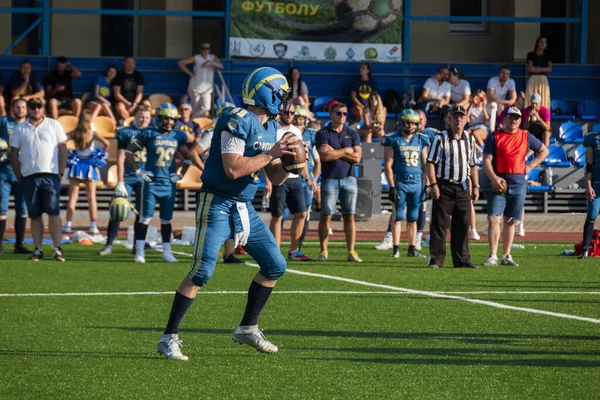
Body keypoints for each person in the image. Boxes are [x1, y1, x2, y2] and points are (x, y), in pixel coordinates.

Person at [156, 67, 299, 361]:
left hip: (244, 206)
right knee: (202, 271)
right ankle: (168, 337)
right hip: (218, 201)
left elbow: (274, 177)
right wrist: (273, 153)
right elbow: (233, 169)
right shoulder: (237, 118)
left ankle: (248, 327)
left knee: (275, 266)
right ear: (265, 93)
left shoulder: (271, 127)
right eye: (280, 94)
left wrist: (289, 164)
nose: (283, 101)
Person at [125, 103, 204, 264]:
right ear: (160, 118)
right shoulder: (149, 133)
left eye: (172, 119)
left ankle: (166, 252)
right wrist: (138, 171)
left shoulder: (177, 136)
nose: (169, 121)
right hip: (152, 184)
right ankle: (139, 251)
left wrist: (180, 173)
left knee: (166, 220)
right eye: (167, 118)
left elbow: (188, 157)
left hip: (168, 184)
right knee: (145, 218)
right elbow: (129, 152)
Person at [481, 107, 548, 267]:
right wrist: (494, 177)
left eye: (517, 118)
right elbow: (486, 160)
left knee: (510, 220)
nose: (514, 120)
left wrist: (530, 166)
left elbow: (544, 150)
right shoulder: (494, 136)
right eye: (511, 117)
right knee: (493, 218)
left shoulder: (525, 136)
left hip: (518, 183)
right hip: (499, 183)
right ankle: (492, 255)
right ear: (504, 119)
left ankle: (506, 255)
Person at [9, 98, 67, 262]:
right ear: (28, 109)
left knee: (53, 212)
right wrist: (18, 175)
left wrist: (60, 172)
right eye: (33, 107)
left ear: (43, 108)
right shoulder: (20, 128)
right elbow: (14, 153)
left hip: (50, 175)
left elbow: (63, 149)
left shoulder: (54, 125)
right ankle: (38, 249)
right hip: (29, 176)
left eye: (39, 107)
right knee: (34, 215)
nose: (36, 110)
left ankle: (57, 248)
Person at [426, 105, 480, 269]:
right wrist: (434, 184)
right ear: (448, 119)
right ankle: (436, 259)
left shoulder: (469, 139)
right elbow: (430, 163)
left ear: (466, 119)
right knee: (440, 224)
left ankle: (462, 259)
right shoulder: (440, 138)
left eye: (461, 117)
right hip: (444, 186)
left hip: (463, 186)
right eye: (455, 116)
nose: (458, 119)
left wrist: (476, 186)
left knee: (463, 224)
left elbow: (473, 165)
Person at [97, 105, 152, 256]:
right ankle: (108, 245)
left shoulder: (152, 133)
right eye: (141, 116)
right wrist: (120, 181)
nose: (144, 120)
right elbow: (121, 157)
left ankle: (137, 245)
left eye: (147, 117)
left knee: (142, 213)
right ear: (135, 116)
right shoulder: (126, 132)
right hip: (128, 176)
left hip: (144, 178)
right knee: (117, 209)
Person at [265, 102, 314, 261]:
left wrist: (307, 178)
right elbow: (266, 157)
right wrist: (268, 181)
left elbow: (301, 158)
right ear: (280, 113)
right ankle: (275, 251)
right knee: (277, 216)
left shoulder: (296, 131)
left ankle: (294, 250)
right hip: (278, 177)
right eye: (286, 112)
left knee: (301, 213)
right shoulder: (273, 130)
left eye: (292, 113)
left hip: (295, 178)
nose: (289, 115)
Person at [316, 102, 363, 262]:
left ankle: (351, 251)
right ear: (331, 114)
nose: (342, 116)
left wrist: (335, 152)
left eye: (344, 113)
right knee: (326, 216)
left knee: (349, 216)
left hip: (349, 178)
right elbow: (325, 156)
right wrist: (345, 150)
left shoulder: (352, 133)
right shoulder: (323, 133)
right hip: (330, 179)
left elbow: (357, 157)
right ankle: (323, 250)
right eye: (339, 113)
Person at [382, 109, 428, 258]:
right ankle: (395, 248)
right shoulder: (393, 139)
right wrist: (392, 186)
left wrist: (427, 184)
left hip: (416, 183)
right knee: (397, 216)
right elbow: (388, 165)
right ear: (402, 123)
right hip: (400, 182)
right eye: (408, 123)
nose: (411, 126)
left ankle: (412, 248)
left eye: (414, 123)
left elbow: (426, 163)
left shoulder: (421, 139)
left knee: (413, 217)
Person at [63, 111, 109, 234]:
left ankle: (68, 224)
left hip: (76, 165)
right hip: (89, 165)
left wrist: (67, 152)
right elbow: (106, 143)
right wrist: (99, 154)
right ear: (89, 122)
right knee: (91, 197)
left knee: (73, 197)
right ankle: (93, 225)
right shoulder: (92, 134)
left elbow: (62, 140)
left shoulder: (74, 133)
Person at [0, 99, 30, 255]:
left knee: (22, 209)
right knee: (1, 208)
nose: (20, 109)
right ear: (13, 108)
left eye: (23, 107)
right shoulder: (4, 121)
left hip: (23, 172)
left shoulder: (31, 125)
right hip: (3, 171)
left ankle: (19, 244)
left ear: (27, 109)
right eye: (17, 106)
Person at [294, 105, 321, 253]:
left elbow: (317, 161)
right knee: (282, 214)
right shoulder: (288, 132)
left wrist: (314, 179)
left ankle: (298, 246)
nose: (298, 121)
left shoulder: (311, 135)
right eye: (296, 117)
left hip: (306, 179)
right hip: (290, 177)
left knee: (305, 214)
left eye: (301, 118)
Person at [177, 43, 224, 118]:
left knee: (206, 108)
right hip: (195, 86)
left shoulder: (212, 57)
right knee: (195, 107)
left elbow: (221, 65)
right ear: (200, 49)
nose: (205, 50)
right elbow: (181, 63)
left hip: (207, 88)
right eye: (203, 48)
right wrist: (190, 73)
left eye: (207, 48)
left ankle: (195, 121)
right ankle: (194, 123)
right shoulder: (196, 58)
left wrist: (210, 62)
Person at [579, 131, 600, 259]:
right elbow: (588, 165)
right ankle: (585, 249)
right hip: (597, 183)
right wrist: (588, 185)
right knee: (592, 215)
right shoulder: (593, 139)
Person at [113, 57, 145, 122]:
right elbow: (116, 93)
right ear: (124, 63)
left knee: (147, 105)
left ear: (135, 64)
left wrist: (135, 104)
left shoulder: (139, 75)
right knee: (120, 107)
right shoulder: (119, 75)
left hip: (135, 101)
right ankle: (130, 124)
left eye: (132, 62)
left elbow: (140, 92)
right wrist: (126, 103)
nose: (130, 64)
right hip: (122, 101)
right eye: (128, 62)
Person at [526, 36, 552, 108]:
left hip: (543, 79)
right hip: (533, 78)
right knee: (531, 96)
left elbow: (549, 69)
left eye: (545, 42)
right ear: (537, 43)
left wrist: (537, 69)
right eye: (541, 42)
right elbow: (530, 69)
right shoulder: (531, 55)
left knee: (544, 98)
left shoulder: (547, 55)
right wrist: (543, 69)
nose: (543, 44)